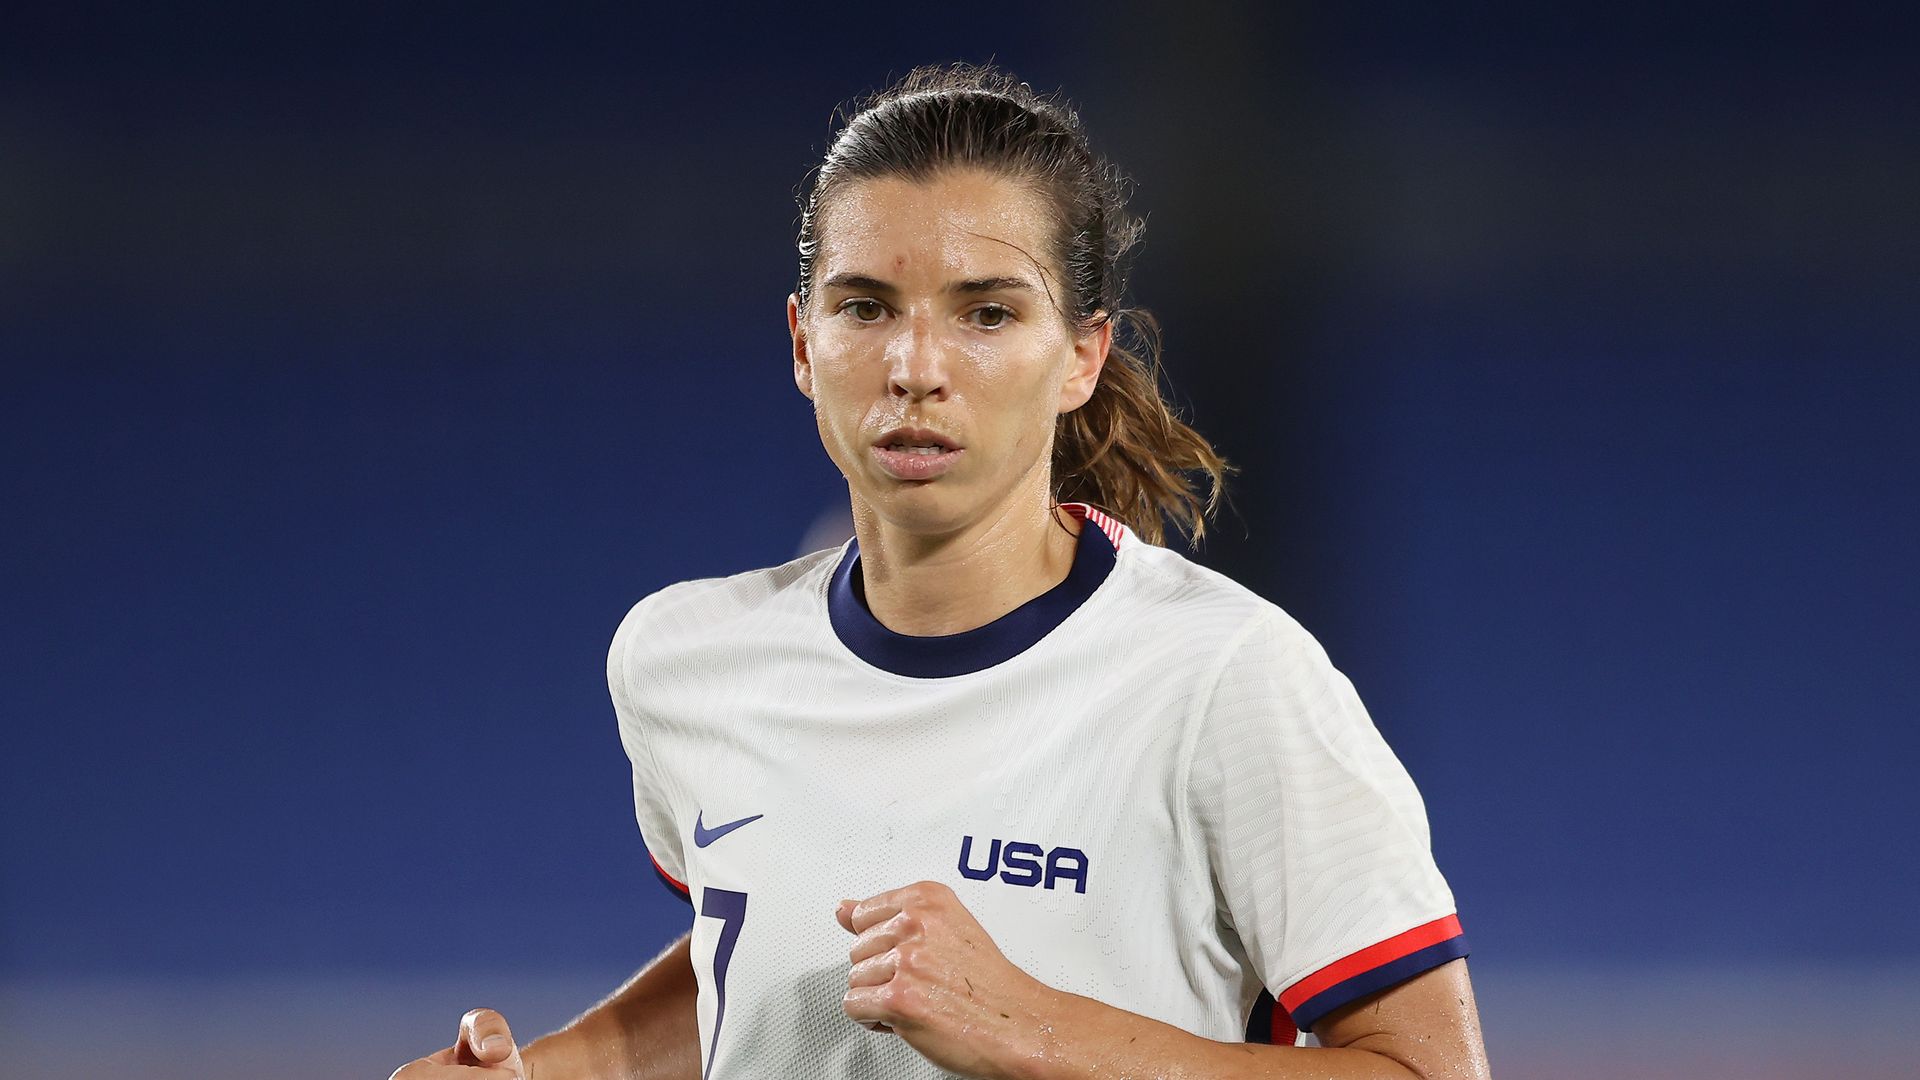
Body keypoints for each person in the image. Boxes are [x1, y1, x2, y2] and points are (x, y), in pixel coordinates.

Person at [391, 63, 1490, 1080]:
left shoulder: (1227, 680)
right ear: (802, 342)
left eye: (987, 313)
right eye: (865, 307)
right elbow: (761, 958)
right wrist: (553, 1071)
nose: (915, 367)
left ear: (1082, 355)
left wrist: (1032, 1023)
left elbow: (1429, 1069)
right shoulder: (685, 659)